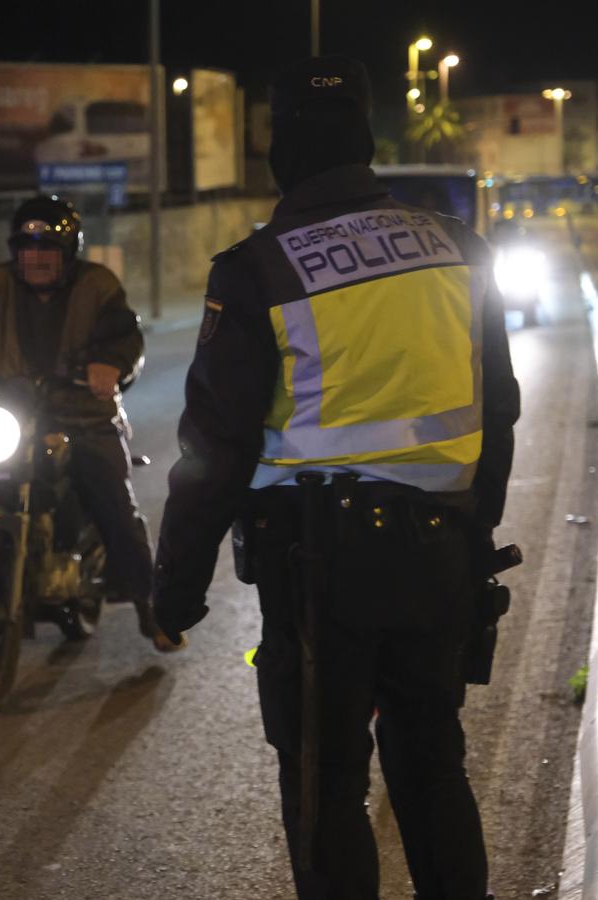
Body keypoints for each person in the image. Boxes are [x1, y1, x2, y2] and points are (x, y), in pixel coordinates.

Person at [153, 56, 520, 898]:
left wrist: (175, 589)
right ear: (365, 137)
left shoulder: (257, 270)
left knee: (326, 790)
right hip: (438, 560)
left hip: (318, 576)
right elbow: (498, 411)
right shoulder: (459, 248)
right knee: (434, 773)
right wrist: (472, 534)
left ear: (281, 147)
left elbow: (214, 451)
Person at [0, 194, 179, 653]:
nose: (36, 257)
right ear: (15, 251)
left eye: (48, 248)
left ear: (68, 251)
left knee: (114, 505)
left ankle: (151, 608)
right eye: (27, 247)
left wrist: (109, 366)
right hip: (14, 415)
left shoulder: (97, 286)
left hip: (83, 415)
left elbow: (124, 337)